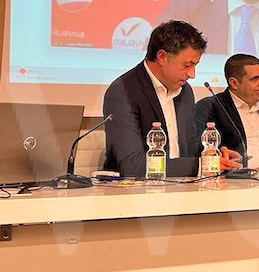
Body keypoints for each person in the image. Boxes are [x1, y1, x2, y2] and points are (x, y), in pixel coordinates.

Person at [102, 20, 240, 178]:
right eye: (187, 65)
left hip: (182, 186)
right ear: (162, 57)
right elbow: (132, 165)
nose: (192, 74)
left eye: (195, 66)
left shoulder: (185, 91)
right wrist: (199, 165)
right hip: (136, 189)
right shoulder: (123, 91)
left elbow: (188, 150)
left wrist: (212, 156)